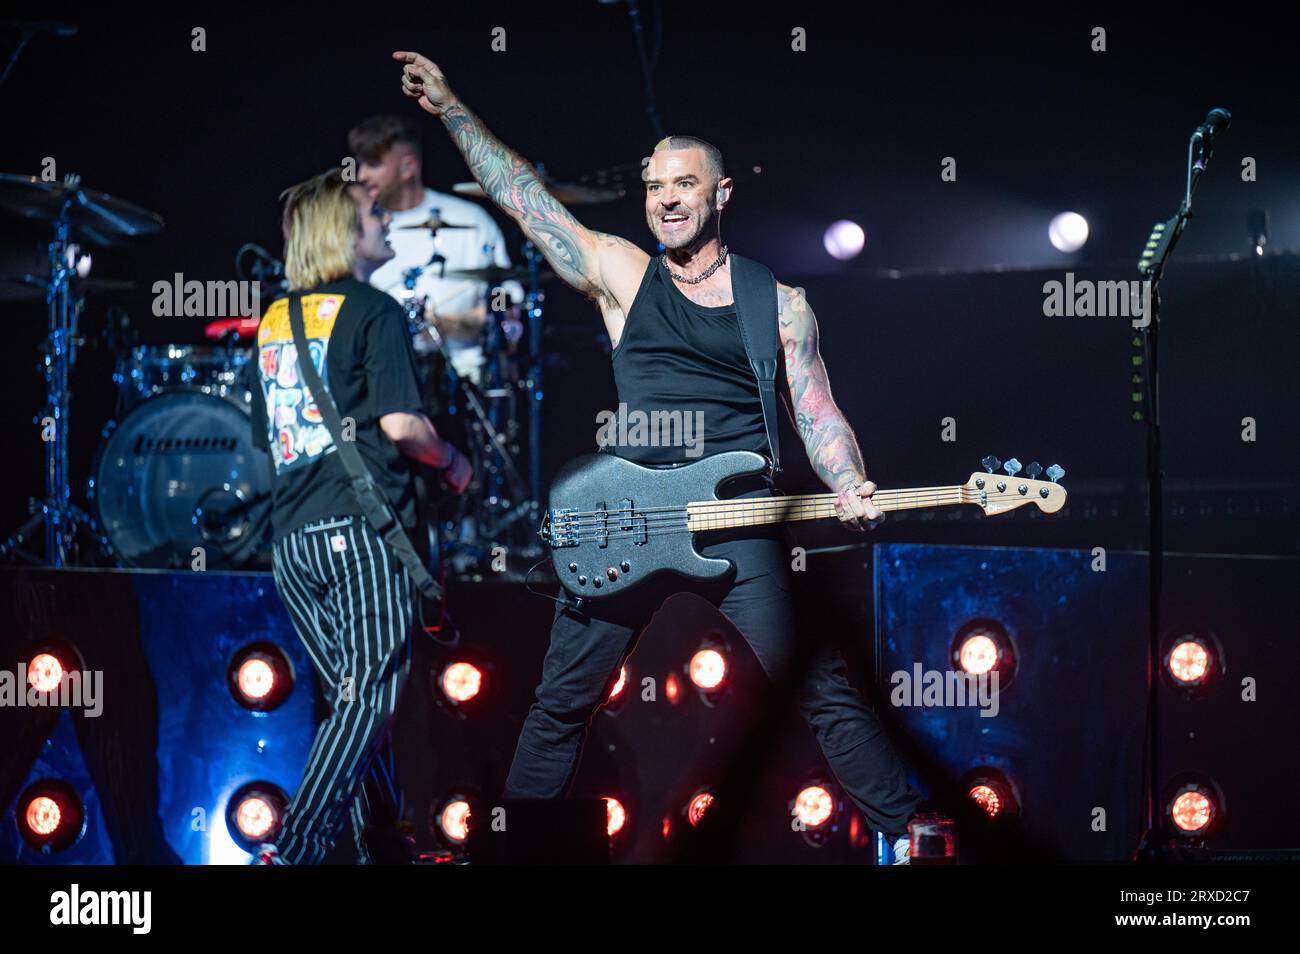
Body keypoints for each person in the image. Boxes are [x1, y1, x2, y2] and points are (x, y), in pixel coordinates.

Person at [395, 53, 925, 863]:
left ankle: (914, 837)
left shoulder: (779, 305)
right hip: (628, 519)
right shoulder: (620, 273)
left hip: (737, 519)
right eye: (654, 187)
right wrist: (453, 109)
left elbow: (817, 414)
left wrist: (849, 480)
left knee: (823, 691)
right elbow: (522, 200)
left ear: (721, 195)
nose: (665, 200)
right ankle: (511, 856)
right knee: (560, 703)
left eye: (683, 185)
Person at [246, 167, 471, 864]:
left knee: (355, 705)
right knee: (370, 700)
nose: (385, 221)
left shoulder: (275, 321)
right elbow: (404, 425)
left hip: (294, 545)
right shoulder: (373, 310)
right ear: (343, 232)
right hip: (358, 535)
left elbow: (273, 444)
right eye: (373, 213)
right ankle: (298, 846)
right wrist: (454, 461)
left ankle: (384, 845)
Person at [348, 114, 522, 382]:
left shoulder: (472, 221)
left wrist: (438, 326)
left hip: (463, 378)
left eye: (373, 164)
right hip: (381, 373)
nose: (361, 175)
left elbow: (508, 314)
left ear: (407, 167)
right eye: (359, 164)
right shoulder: (360, 230)